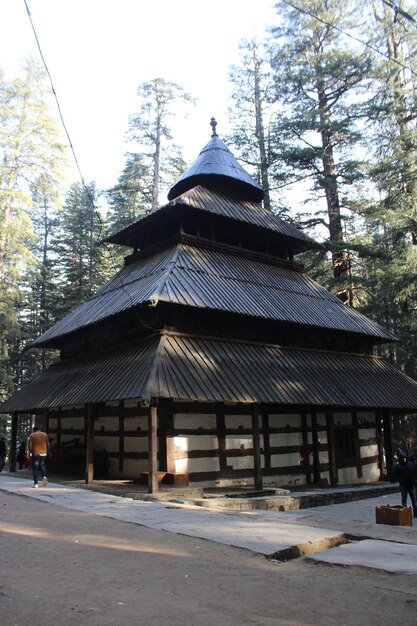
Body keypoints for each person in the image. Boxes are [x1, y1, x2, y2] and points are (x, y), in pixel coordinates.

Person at [393, 448, 417, 518]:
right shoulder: (397, 466)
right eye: (402, 458)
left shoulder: (410, 464)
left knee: (414, 500)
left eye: (404, 458)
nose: (404, 459)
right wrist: (401, 480)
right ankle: (405, 513)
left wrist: (414, 480)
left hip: (411, 484)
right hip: (403, 485)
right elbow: (395, 476)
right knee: (404, 500)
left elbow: (413, 472)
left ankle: (416, 513)